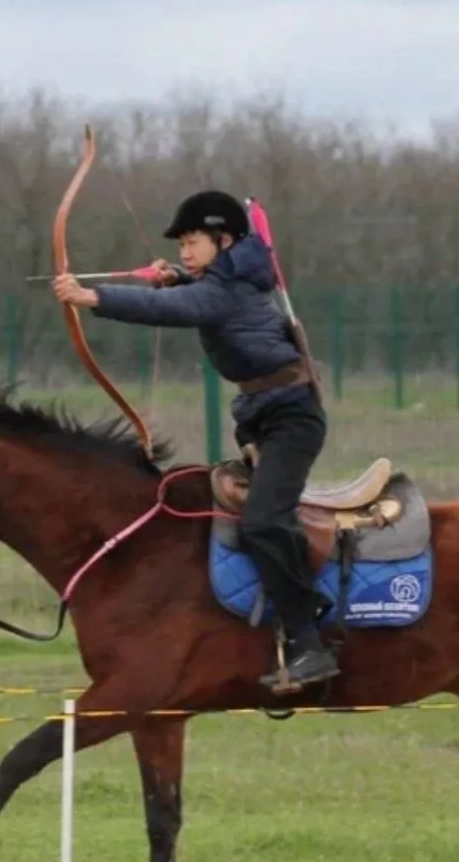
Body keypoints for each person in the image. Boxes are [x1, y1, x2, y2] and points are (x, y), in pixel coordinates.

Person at [53, 189, 339, 691]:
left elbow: (182, 307)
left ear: (224, 240)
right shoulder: (228, 278)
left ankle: (310, 643)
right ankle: (272, 614)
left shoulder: (222, 291)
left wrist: (93, 297)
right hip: (263, 418)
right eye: (181, 244)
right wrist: (178, 276)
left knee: (264, 521)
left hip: (291, 420)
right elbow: (197, 292)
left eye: (193, 242)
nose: (184, 251)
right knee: (237, 516)